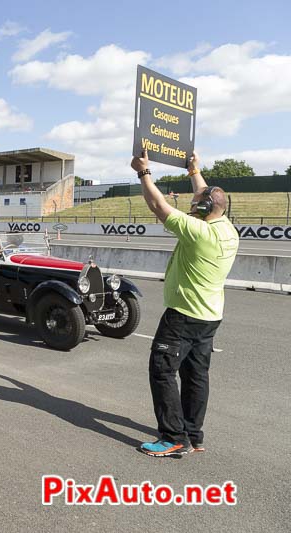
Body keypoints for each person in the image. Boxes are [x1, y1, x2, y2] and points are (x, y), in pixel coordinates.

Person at [130, 149, 239, 458]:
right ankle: (194, 434)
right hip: (210, 315)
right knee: (196, 375)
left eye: (194, 207)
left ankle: (173, 437)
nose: (190, 209)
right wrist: (194, 172)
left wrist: (143, 172)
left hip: (183, 316)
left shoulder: (199, 233)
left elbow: (158, 205)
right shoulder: (227, 228)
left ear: (204, 209)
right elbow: (207, 197)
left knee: (162, 370)